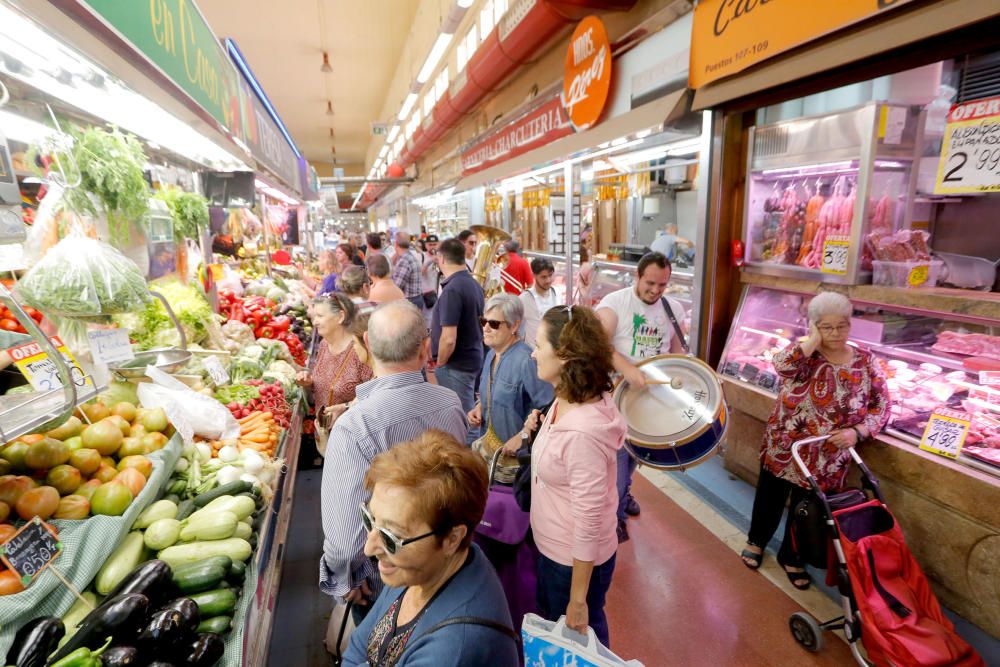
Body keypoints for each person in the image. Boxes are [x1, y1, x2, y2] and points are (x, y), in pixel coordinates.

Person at [320, 300, 469, 624]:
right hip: (445, 567)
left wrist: (344, 580)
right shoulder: (450, 404)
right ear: (426, 349)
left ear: (369, 345)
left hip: (382, 580)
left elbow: (345, 542)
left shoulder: (354, 427)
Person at [741, 292, 890, 589]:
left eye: (842, 326)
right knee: (770, 498)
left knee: (807, 509)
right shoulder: (803, 355)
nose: (835, 334)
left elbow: (882, 404)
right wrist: (811, 340)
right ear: (813, 327)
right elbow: (781, 365)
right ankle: (756, 541)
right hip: (786, 446)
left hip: (829, 456)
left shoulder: (864, 360)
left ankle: (791, 556)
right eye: (827, 327)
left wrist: (857, 432)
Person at [342, 431, 519, 667]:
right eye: (370, 519)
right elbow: (356, 648)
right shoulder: (421, 565)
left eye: (391, 535)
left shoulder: (454, 649)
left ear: (452, 538)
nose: (369, 548)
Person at [526, 304, 626, 647]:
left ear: (566, 355)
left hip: (570, 564)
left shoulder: (584, 431)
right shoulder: (569, 395)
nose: (533, 352)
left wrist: (578, 599)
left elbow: (588, 517)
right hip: (555, 550)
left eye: (539, 345)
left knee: (581, 638)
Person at [595, 251, 687, 541]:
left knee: (636, 456)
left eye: (662, 285)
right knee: (619, 461)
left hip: (651, 401)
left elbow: (676, 352)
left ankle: (624, 495)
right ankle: (615, 517)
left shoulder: (673, 309)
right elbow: (596, 344)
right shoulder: (614, 303)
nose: (655, 291)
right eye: (650, 283)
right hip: (616, 399)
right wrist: (625, 368)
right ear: (637, 276)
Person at [468, 293, 553, 458]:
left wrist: (523, 437)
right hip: (489, 453)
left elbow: (547, 409)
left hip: (515, 462)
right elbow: (495, 391)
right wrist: (480, 406)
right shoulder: (492, 353)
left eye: (493, 323)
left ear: (514, 326)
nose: (485, 328)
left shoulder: (527, 361)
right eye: (483, 321)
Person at [430, 238, 485, 437]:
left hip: (455, 364)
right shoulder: (472, 284)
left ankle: (471, 465)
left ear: (442, 258)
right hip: (471, 357)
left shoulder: (452, 290)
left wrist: (440, 363)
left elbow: (449, 338)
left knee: (464, 421)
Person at [297, 293, 374, 431]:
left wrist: (345, 408)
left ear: (340, 317)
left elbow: (374, 397)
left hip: (350, 433)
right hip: (323, 431)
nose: (314, 322)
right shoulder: (324, 344)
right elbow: (323, 384)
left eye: (320, 316)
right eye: (314, 317)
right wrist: (309, 382)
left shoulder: (359, 351)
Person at [519, 258, 561, 349]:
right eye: (543, 277)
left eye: (550, 275)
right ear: (534, 275)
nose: (548, 280)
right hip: (532, 352)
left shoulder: (557, 293)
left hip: (554, 349)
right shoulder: (524, 298)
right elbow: (516, 326)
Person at [390, 231, 425, 311]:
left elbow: (397, 286)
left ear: (395, 243)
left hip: (409, 301)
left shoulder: (404, 260)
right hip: (415, 299)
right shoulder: (409, 256)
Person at [420, 234, 441, 312]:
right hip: (427, 296)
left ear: (438, 245)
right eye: (430, 244)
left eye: (434, 244)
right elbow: (421, 273)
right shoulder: (421, 256)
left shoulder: (441, 257)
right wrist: (430, 261)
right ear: (426, 245)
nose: (432, 247)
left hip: (438, 294)